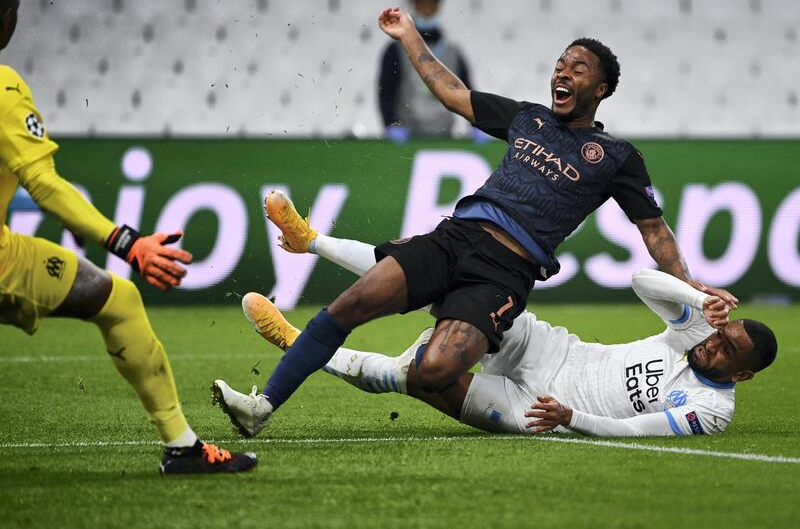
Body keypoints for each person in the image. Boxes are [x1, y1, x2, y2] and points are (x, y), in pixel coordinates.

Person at [212, 7, 738, 438]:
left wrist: (689, 290)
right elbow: (451, 92)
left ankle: (433, 324)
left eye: (577, 68)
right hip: (455, 237)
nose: (563, 72)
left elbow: (654, 230)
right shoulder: (527, 117)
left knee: (434, 372)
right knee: (345, 307)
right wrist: (410, 37)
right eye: (560, 63)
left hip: (504, 273)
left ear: (600, 89)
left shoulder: (616, 156)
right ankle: (262, 408)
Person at [0, 0, 255, 474]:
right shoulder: (4, 88)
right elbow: (44, 183)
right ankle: (181, 447)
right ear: (5, 20)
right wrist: (127, 243)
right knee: (117, 299)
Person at [231, 229, 777, 438]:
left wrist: (569, 418)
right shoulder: (694, 332)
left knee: (419, 377)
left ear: (743, 374)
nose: (712, 343)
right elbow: (641, 279)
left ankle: (302, 343)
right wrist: (697, 296)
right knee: (445, 277)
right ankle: (313, 240)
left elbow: (636, 432)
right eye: (719, 334)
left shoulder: (711, 410)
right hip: (548, 346)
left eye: (726, 350)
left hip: (539, 410)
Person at [378, 0, 473, 142]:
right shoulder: (396, 49)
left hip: (445, 135)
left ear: (438, 6)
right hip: (407, 136)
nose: (427, 9)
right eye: (423, 3)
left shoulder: (453, 51)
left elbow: (467, 91)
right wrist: (391, 125)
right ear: (414, 4)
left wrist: (476, 126)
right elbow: (386, 91)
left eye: (431, 4)